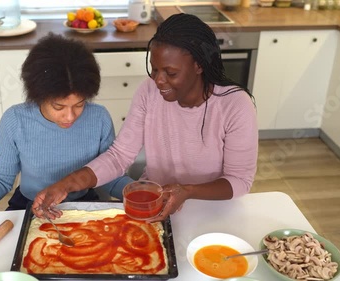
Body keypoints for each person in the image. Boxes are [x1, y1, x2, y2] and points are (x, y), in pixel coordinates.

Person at [32, 13, 258, 222]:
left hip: (213, 209)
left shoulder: (235, 105)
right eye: (154, 69)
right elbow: (119, 156)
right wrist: (65, 185)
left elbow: (240, 180)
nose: (158, 80)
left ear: (198, 65)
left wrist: (188, 191)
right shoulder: (149, 91)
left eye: (170, 73)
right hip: (156, 205)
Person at [0, 33, 133, 238]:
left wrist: (143, 193)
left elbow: (109, 177)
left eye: (79, 105)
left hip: (82, 204)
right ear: (38, 95)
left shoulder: (99, 118)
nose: (70, 116)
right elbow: (0, 179)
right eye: (58, 106)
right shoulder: (15, 120)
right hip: (26, 204)